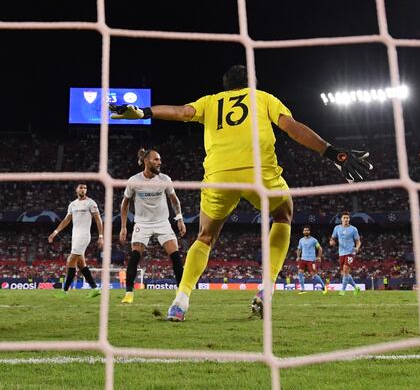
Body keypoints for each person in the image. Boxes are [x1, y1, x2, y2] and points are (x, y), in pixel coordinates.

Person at [109, 64, 372, 321]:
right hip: (260, 173)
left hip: (220, 176)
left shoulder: (211, 102)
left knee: (205, 236)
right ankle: (266, 288)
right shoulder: (263, 98)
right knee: (283, 215)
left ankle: (181, 301)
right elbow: (292, 127)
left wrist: (144, 112)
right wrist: (332, 152)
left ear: (225, 86)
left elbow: (180, 112)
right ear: (251, 83)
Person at [119, 148, 187, 304]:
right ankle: (129, 294)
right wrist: (123, 227)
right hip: (142, 223)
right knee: (135, 256)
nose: (159, 162)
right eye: (156, 159)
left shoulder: (164, 179)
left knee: (175, 256)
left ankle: (181, 293)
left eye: (160, 159)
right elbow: (125, 204)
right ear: (146, 161)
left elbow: (174, 200)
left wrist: (180, 219)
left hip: (162, 222)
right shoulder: (134, 181)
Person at [48, 183, 104, 298]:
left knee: (70, 260)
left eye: (85, 188)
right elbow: (66, 220)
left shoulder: (91, 203)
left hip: (84, 236)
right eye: (81, 187)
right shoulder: (72, 204)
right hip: (75, 236)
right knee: (81, 264)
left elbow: (98, 220)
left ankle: (64, 291)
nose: (83, 189)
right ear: (77, 190)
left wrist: (101, 236)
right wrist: (55, 232)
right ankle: (94, 288)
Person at [330, 212, 361, 295]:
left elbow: (358, 241)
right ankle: (356, 287)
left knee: (346, 270)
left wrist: (357, 248)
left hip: (350, 252)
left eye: (347, 218)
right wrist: (332, 242)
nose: (346, 219)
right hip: (341, 253)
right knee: (344, 273)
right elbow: (332, 238)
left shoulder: (353, 229)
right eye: (344, 217)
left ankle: (342, 290)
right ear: (341, 219)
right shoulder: (337, 228)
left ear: (349, 219)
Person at [296, 226, 326, 293]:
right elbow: (299, 249)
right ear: (303, 231)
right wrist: (298, 256)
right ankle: (303, 289)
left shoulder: (314, 240)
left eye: (307, 230)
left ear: (309, 231)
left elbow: (320, 249)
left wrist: (319, 257)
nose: (306, 231)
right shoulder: (301, 240)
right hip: (303, 259)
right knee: (300, 273)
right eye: (305, 230)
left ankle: (323, 286)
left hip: (311, 260)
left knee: (314, 275)